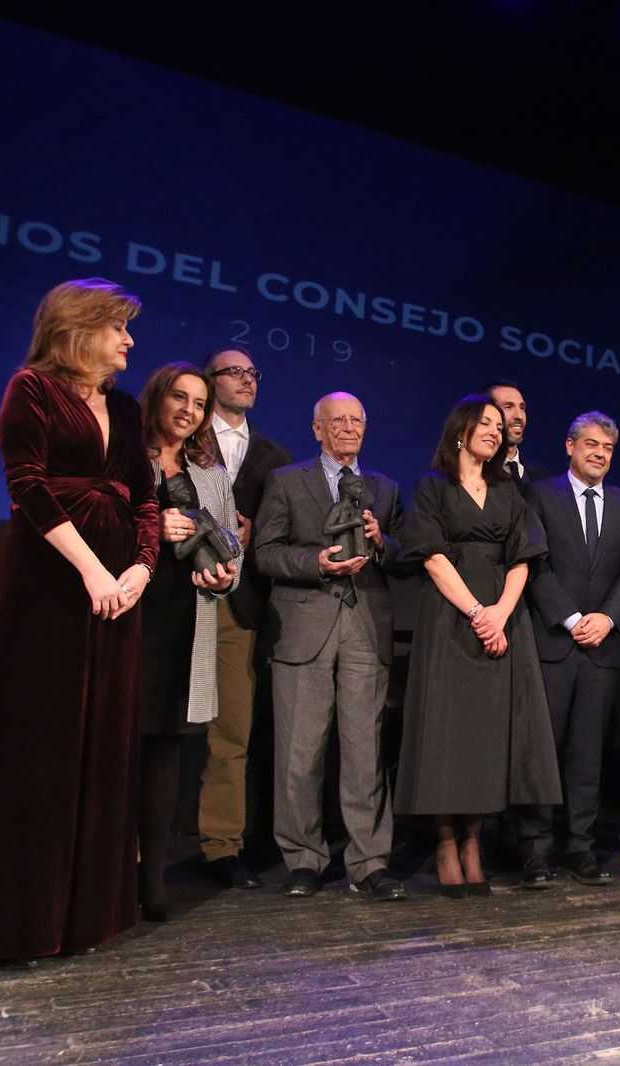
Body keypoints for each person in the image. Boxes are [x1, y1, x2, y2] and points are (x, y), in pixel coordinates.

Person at [0, 278, 157, 960]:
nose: (128, 341)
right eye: (118, 327)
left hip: (118, 594)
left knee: (102, 742)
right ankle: (19, 922)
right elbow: (26, 485)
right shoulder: (30, 389)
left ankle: (84, 918)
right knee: (38, 744)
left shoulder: (125, 409)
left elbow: (147, 501)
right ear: (80, 328)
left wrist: (138, 570)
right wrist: (91, 567)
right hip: (48, 586)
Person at [394, 395, 561, 896]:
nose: (497, 429)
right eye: (485, 422)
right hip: (449, 619)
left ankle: (474, 844)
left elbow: (523, 557)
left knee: (486, 737)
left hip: (503, 618)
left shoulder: (509, 491)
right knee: (448, 734)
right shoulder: (432, 487)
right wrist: (475, 613)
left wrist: (501, 614)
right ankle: (446, 844)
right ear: (460, 430)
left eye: (499, 423)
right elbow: (432, 558)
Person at [255, 392, 407, 901]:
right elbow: (266, 552)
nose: (347, 428)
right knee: (300, 753)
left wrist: (382, 541)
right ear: (316, 429)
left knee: (366, 753)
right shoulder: (286, 481)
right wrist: (316, 563)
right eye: (336, 420)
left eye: (355, 420)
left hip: (366, 626)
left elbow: (407, 557)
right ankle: (303, 858)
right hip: (304, 628)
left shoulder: (383, 488)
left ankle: (369, 861)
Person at [522, 411, 620, 886]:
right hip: (555, 642)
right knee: (543, 752)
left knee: (588, 754)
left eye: (608, 448)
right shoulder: (539, 494)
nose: (599, 454)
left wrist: (608, 618)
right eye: (591, 444)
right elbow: (536, 564)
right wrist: (573, 619)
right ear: (570, 446)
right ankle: (534, 848)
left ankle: (579, 847)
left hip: (602, 648)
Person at [136, 363, 240, 921]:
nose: (189, 411)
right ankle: (106, 872)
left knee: (164, 746)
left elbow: (232, 551)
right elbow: (97, 522)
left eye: (199, 403)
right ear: (157, 398)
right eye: (179, 397)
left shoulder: (210, 475)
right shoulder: (124, 458)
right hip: (127, 613)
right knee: (117, 747)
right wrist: (149, 531)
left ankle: (151, 879)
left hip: (183, 622)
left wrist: (226, 576)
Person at [198, 347, 291, 890]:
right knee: (153, 728)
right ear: (210, 382)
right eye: (234, 371)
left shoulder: (276, 456)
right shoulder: (183, 434)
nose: (246, 379)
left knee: (231, 731)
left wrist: (257, 537)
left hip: (238, 604)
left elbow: (281, 531)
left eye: (252, 372)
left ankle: (221, 846)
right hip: (175, 597)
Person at [482, 379, 549, 486]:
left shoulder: (542, 478)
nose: (519, 416)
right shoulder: (477, 474)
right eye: (508, 407)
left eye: (522, 408)